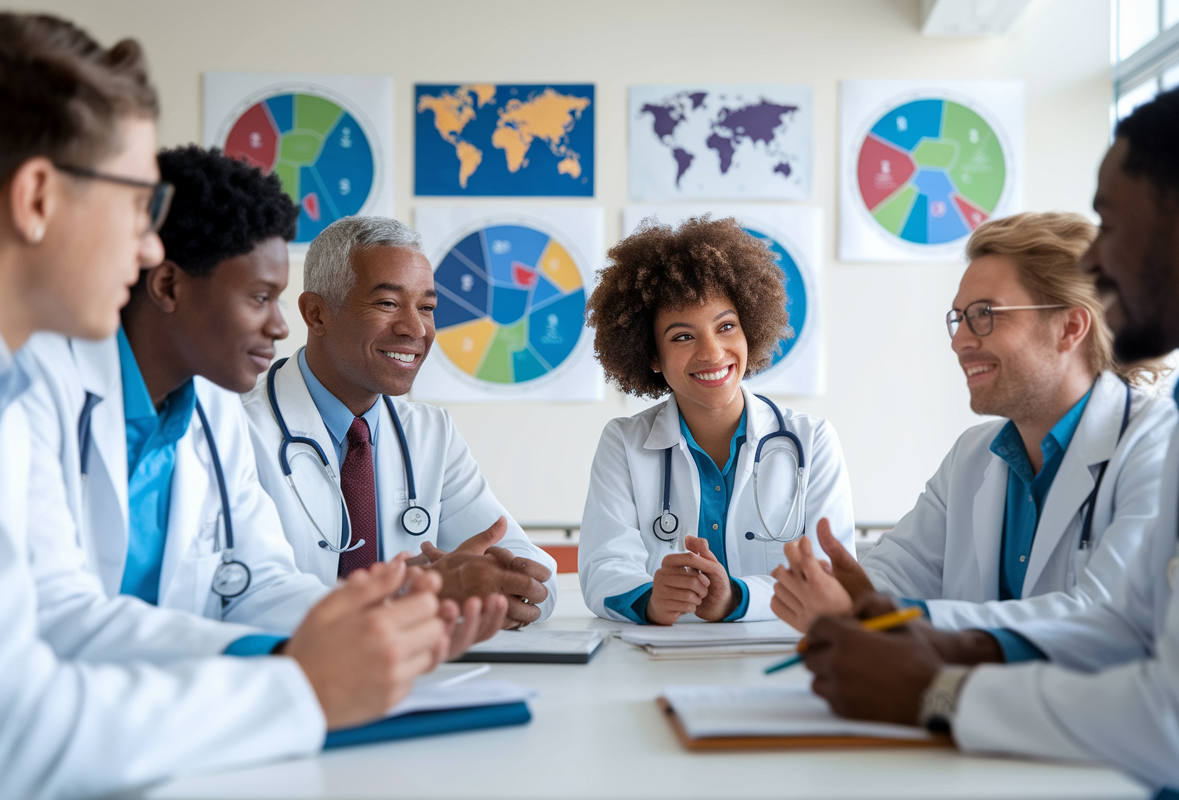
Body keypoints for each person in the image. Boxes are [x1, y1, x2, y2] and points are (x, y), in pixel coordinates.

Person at [0, 14, 477, 798]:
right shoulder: (38, 391)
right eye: (135, 201)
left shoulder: (175, 405)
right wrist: (298, 683)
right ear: (39, 198)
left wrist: (365, 628)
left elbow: (246, 580)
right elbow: (30, 707)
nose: (149, 242)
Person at [802, 72, 1179, 798]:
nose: (1095, 263)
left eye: (1112, 227)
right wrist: (944, 642)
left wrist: (940, 692)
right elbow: (1129, 623)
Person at [770, 212, 1178, 633]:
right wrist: (849, 592)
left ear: (1069, 327)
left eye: (985, 314)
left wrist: (885, 616)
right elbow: (896, 572)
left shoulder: (1158, 444)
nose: (959, 341)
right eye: (959, 317)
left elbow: (1105, 616)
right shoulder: (973, 456)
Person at [243, 215, 557, 629]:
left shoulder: (431, 435)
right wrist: (415, 593)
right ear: (316, 314)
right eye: (388, 303)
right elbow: (243, 599)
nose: (415, 328)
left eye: (427, 308)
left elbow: (536, 578)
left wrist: (504, 588)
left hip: (413, 677)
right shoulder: (237, 429)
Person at [577, 215, 856, 625]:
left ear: (749, 330)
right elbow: (604, 566)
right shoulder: (623, 442)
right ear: (652, 356)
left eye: (726, 326)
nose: (712, 353)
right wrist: (651, 600)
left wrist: (736, 599)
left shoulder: (812, 441)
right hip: (665, 655)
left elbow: (827, 577)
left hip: (779, 652)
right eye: (682, 336)